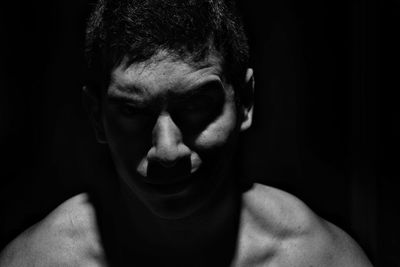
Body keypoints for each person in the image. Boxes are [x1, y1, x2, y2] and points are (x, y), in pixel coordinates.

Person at [0, 0, 373, 266]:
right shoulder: (39, 259)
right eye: (132, 110)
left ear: (244, 101)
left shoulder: (316, 258)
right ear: (97, 116)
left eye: (195, 106)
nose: (167, 150)